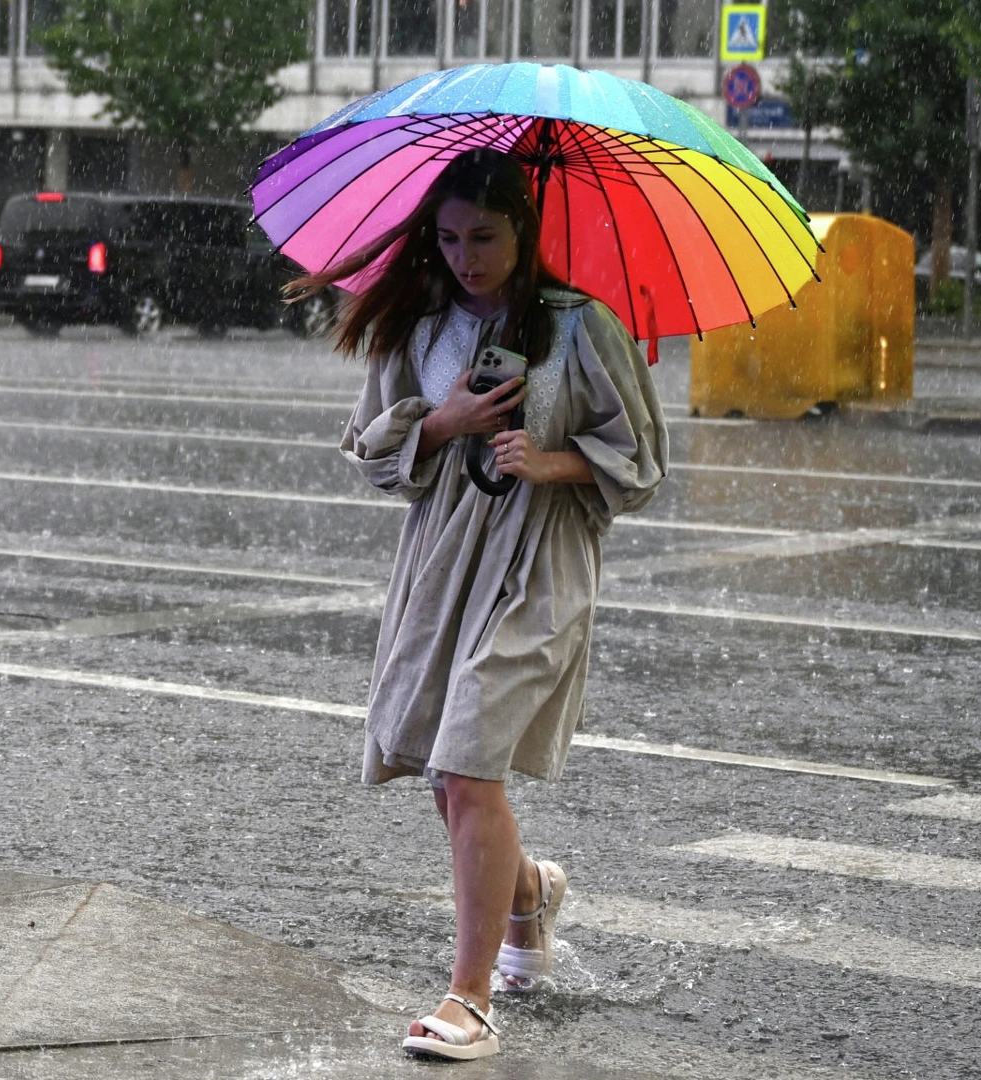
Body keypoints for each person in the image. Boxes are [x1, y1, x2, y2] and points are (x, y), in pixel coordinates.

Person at [286, 148, 668, 1062]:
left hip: (540, 563)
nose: (467, 256)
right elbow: (374, 453)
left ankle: (469, 998)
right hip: (443, 558)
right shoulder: (416, 330)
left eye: (486, 236)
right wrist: (444, 422)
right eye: (450, 237)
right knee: (446, 770)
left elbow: (642, 462)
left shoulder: (580, 328)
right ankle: (526, 892)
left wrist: (553, 460)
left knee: (465, 765)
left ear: (523, 230)